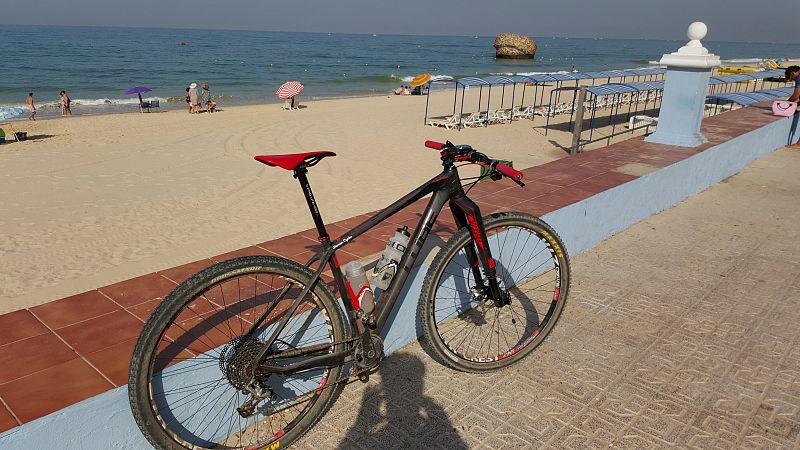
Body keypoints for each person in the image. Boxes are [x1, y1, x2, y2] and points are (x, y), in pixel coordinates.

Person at [785, 66, 800, 148]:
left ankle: (799, 144)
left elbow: (796, 95)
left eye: (792, 79)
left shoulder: (799, 78)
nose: (794, 80)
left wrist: (785, 104)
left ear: (793, 73)